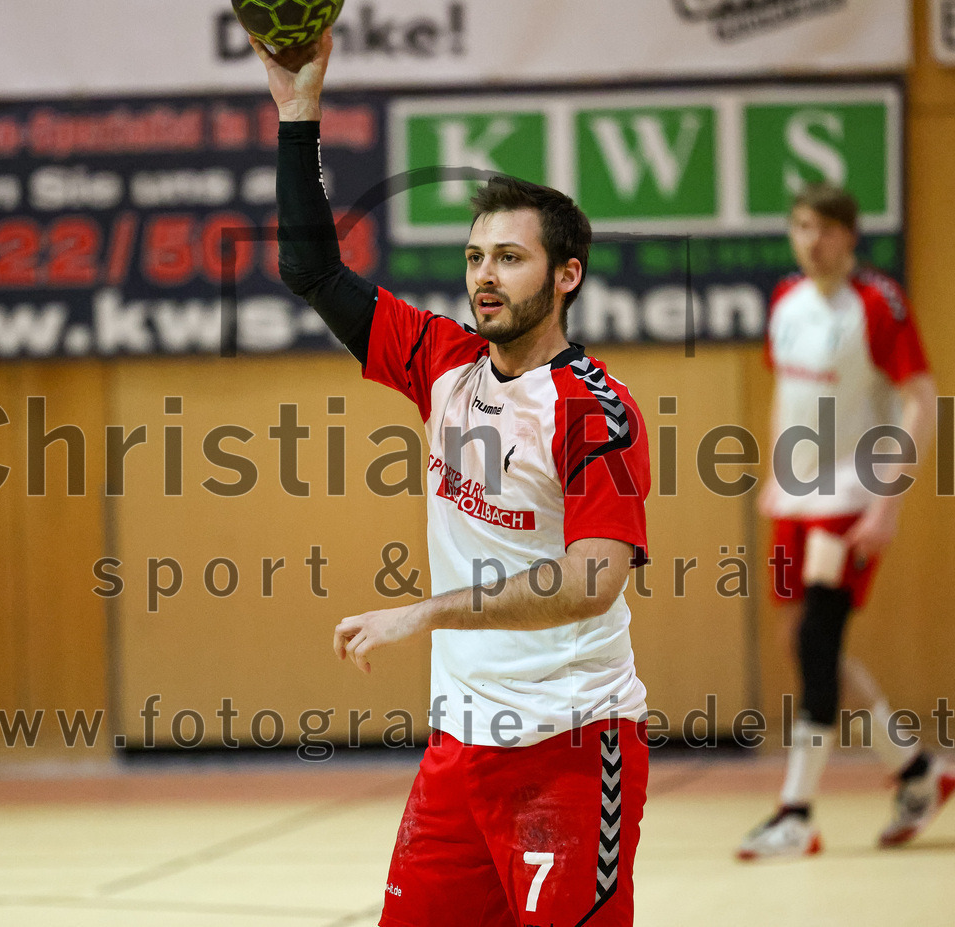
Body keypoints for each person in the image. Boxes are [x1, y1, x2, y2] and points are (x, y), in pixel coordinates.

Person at [250, 30, 652, 927]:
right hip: (459, 750)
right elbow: (308, 269)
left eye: (509, 257)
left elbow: (595, 579)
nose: (484, 277)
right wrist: (296, 113)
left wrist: (426, 610)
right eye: (475, 258)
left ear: (566, 275)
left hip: (571, 750)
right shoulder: (442, 361)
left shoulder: (595, 409)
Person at [737, 182, 954, 860]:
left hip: (852, 492)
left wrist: (887, 503)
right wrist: (774, 474)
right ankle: (918, 771)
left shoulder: (877, 303)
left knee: (818, 642)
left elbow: (923, 401)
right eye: (803, 225)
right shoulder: (784, 300)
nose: (814, 239)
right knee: (800, 643)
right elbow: (788, 392)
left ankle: (796, 810)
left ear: (851, 236)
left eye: (828, 228)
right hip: (796, 496)